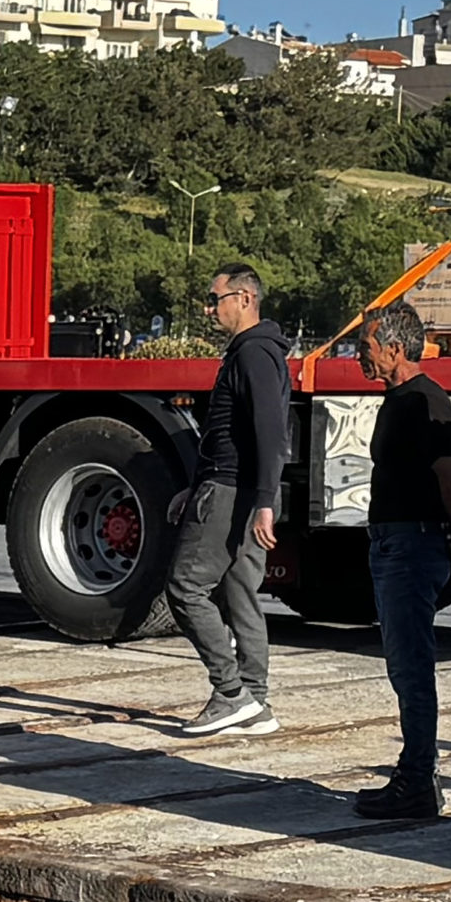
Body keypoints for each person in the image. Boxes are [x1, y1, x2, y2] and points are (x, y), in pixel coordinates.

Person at [351, 298, 451, 819]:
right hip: (394, 543)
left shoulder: (428, 401)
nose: (360, 357)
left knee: (412, 667)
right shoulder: (399, 400)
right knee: (404, 667)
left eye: (368, 347)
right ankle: (414, 775)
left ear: (396, 349)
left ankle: (417, 780)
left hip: (412, 545)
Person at [165, 262, 288, 739]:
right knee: (239, 592)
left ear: (243, 299)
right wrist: (192, 489)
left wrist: (262, 501)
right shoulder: (255, 352)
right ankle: (255, 701)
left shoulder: (254, 354)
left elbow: (269, 432)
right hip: (234, 487)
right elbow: (226, 433)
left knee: (185, 588)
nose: (209, 308)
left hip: (234, 490)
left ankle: (230, 693)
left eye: (215, 299)